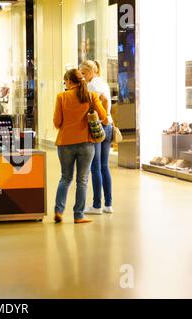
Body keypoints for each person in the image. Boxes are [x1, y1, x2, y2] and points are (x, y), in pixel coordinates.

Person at [53, 69, 107, 224]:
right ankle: (78, 215)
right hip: (86, 143)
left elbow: (57, 123)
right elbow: (103, 116)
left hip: (65, 143)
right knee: (82, 180)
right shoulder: (91, 96)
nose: (65, 84)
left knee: (65, 178)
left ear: (70, 82)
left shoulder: (61, 97)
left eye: (65, 81)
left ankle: (59, 211)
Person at [80, 60, 114, 215]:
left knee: (95, 167)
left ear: (91, 71)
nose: (82, 76)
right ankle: (108, 204)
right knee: (104, 166)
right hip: (108, 126)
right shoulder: (102, 82)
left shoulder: (93, 85)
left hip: (98, 127)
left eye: (84, 73)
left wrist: (103, 116)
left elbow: (105, 100)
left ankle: (96, 205)